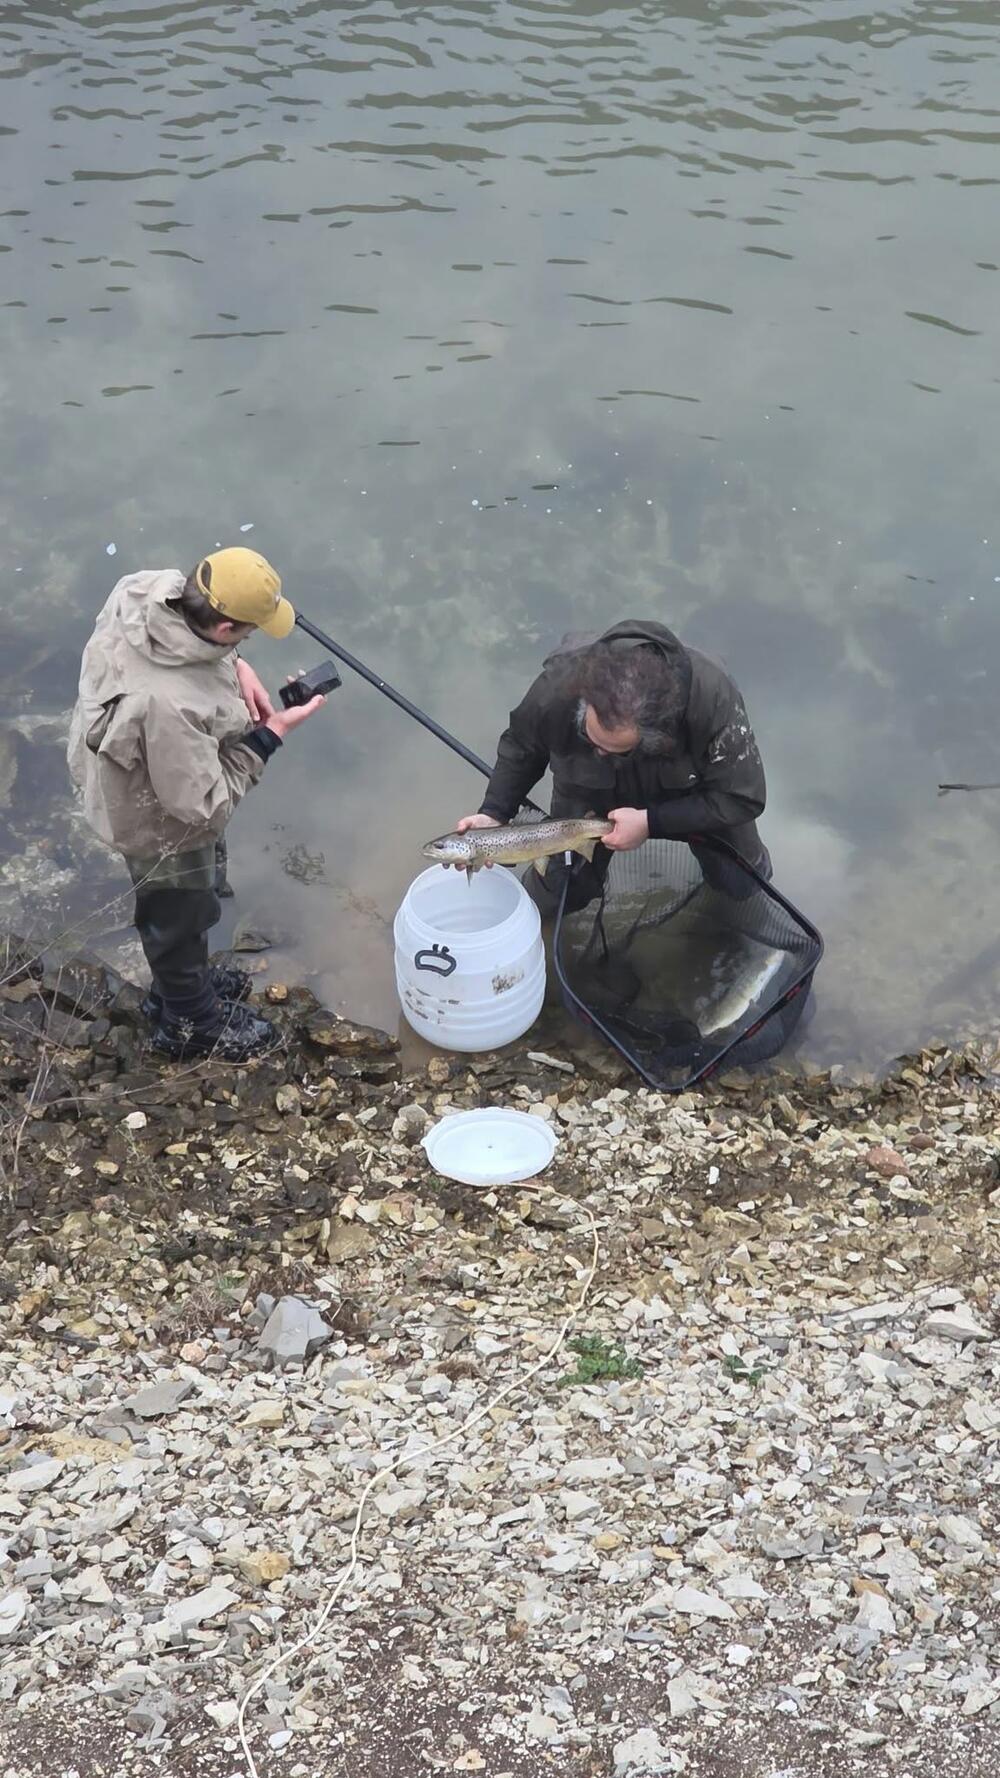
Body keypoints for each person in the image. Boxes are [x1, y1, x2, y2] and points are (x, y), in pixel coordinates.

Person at [68, 547, 325, 1060]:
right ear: (225, 625)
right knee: (179, 912)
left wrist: (237, 665)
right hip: (153, 816)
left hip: (149, 761)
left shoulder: (145, 588)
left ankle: (182, 989)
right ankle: (188, 1019)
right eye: (247, 633)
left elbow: (204, 651)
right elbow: (205, 807)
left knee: (193, 899)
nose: (245, 642)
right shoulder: (168, 703)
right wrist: (272, 734)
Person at [453, 619, 770, 911]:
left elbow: (741, 797)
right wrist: (494, 812)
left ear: (655, 734)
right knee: (557, 893)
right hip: (590, 790)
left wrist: (650, 821)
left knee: (743, 882)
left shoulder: (713, 698)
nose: (601, 751)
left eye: (613, 748)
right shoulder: (556, 688)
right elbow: (521, 747)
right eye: (591, 739)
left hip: (690, 794)